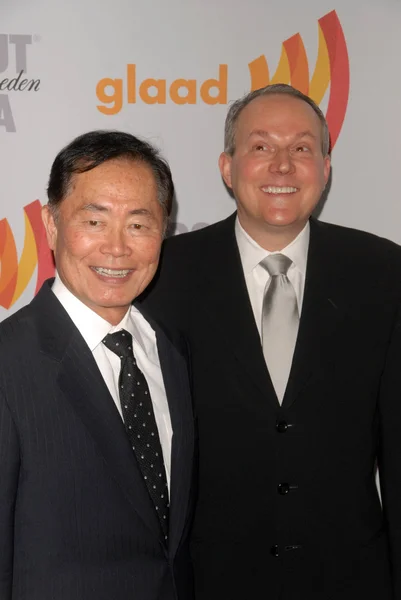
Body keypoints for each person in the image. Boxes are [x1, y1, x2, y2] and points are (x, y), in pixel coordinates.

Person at [141, 84, 401, 599]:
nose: (282, 166)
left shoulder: (384, 274)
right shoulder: (163, 276)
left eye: (302, 149)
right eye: (261, 147)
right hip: (209, 581)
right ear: (227, 167)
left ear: (325, 169)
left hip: (352, 580)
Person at [0, 130, 195, 600]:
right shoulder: (9, 364)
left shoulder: (172, 349)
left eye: (138, 224)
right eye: (94, 221)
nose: (116, 248)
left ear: (163, 229)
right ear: (50, 223)